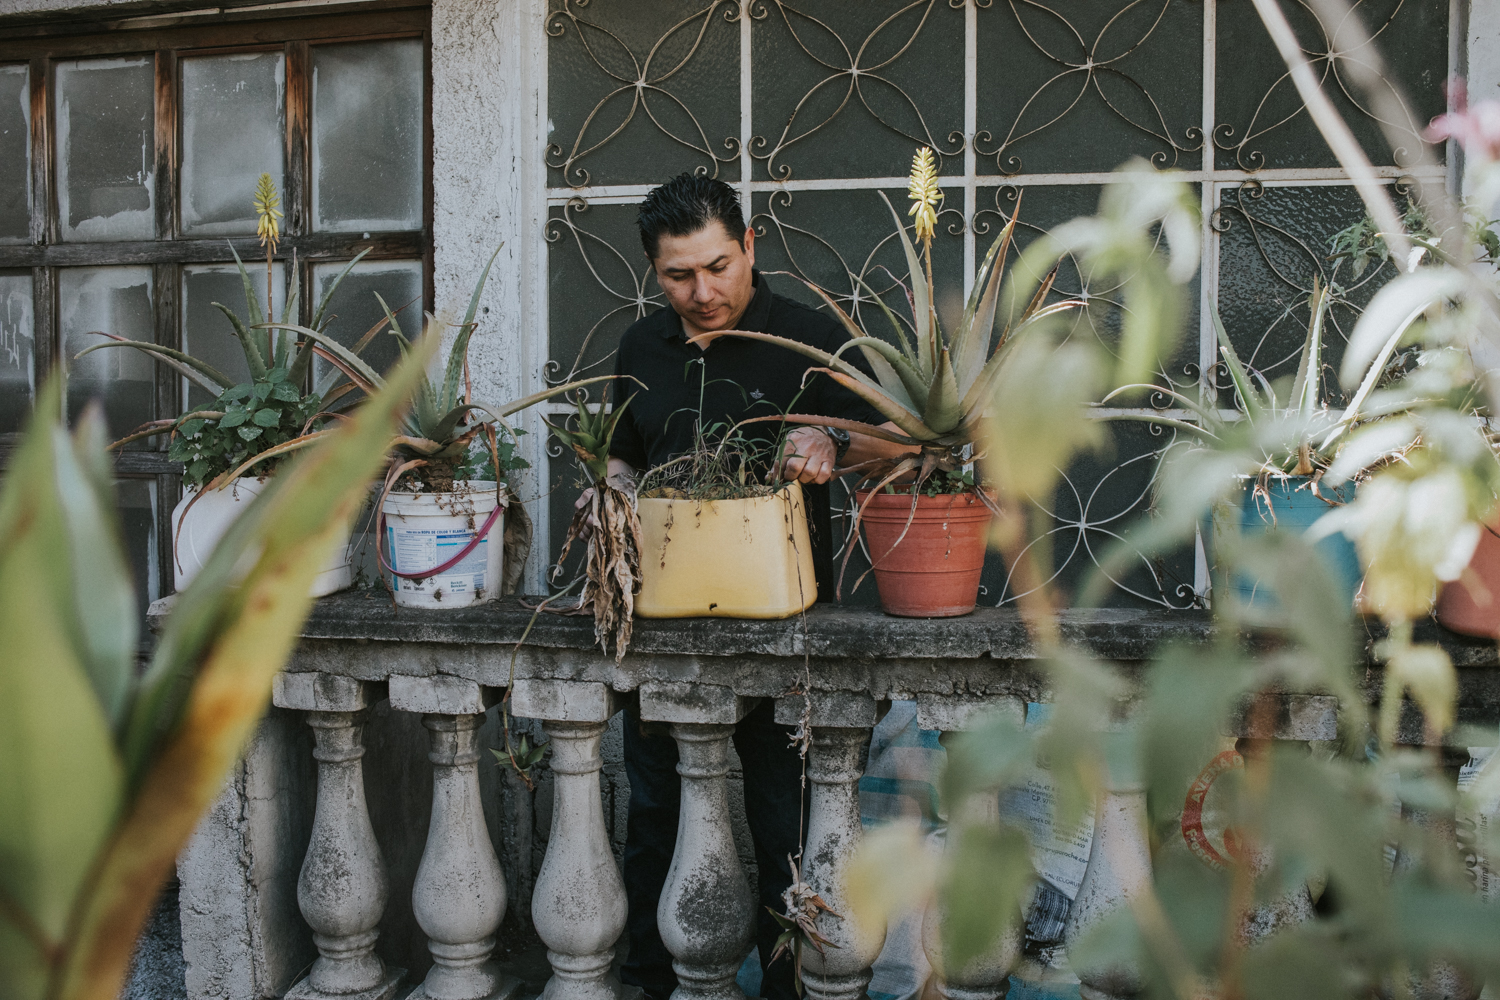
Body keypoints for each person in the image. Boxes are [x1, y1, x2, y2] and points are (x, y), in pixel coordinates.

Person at [604, 174, 914, 1000]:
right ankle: (651, 982)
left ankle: (788, 987)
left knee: (788, 819)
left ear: (750, 246)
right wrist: (610, 492)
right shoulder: (640, 348)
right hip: (665, 624)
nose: (702, 293)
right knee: (654, 815)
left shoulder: (809, 338)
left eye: (716, 267)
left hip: (789, 630)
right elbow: (624, 451)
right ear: (652, 272)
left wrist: (827, 437)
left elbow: (901, 439)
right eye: (678, 276)